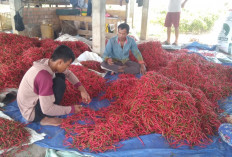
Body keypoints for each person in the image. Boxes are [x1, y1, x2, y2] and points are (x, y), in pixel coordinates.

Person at [17, 45, 91, 126]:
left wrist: (82, 90)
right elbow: (47, 109)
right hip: (31, 113)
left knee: (61, 75)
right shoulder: (44, 76)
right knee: (60, 84)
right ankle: (44, 119)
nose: (68, 67)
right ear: (60, 62)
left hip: (27, 103)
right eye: (67, 65)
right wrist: (71, 109)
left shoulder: (48, 62)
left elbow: (68, 73)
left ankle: (48, 107)